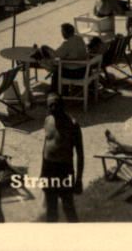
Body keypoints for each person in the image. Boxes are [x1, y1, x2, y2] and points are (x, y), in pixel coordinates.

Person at [39, 93, 83, 223]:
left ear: (62, 105)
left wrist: (78, 179)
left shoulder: (73, 125)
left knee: (68, 207)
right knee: (51, 208)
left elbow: (80, 154)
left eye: (55, 104)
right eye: (50, 105)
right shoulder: (48, 120)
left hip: (64, 169)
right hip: (49, 169)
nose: (53, 108)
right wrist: (42, 172)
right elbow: (45, 147)